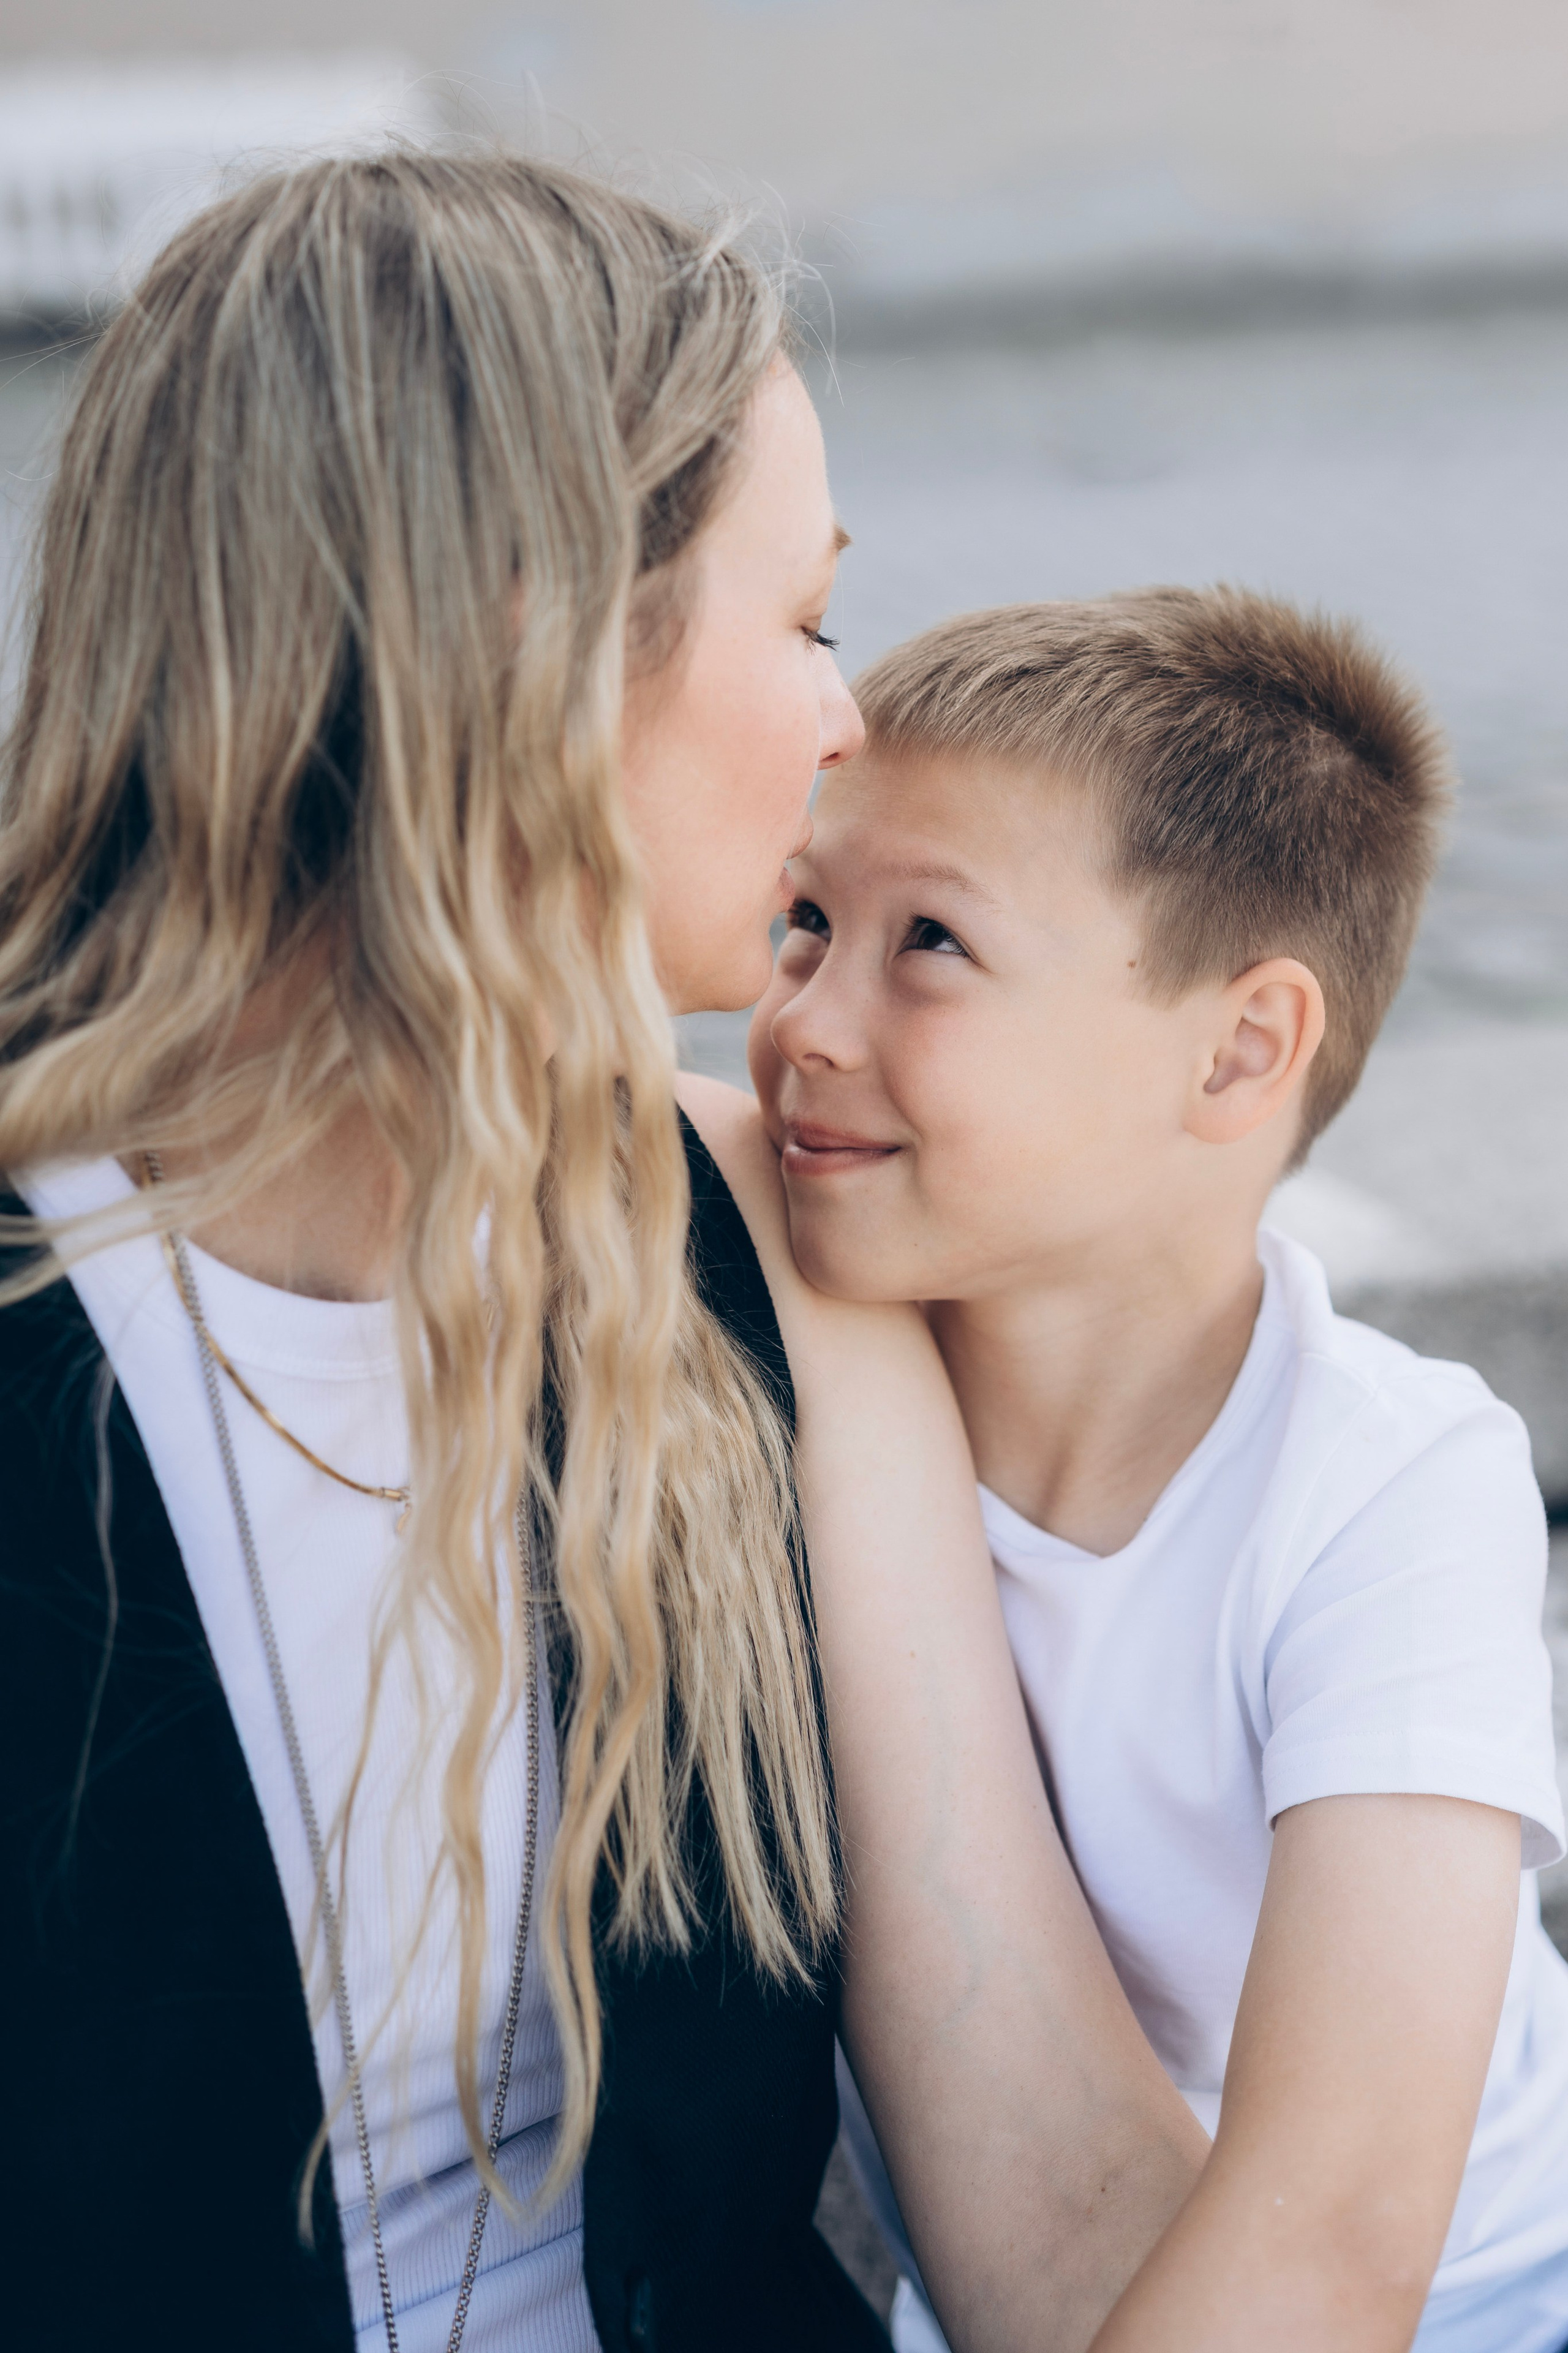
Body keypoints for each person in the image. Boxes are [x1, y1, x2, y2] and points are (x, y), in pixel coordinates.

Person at [0, 160, 1205, 2352]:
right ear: (546, 631)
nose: (852, 729)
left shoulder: (747, 1225)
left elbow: (1050, 2192)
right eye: (809, 617)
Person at [747, 586, 1568, 2353]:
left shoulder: (1388, 1486)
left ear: (1242, 1047)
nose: (808, 1017)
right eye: (804, 919)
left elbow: (1347, 2216)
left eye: (932, 945)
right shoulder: (819, 1377)